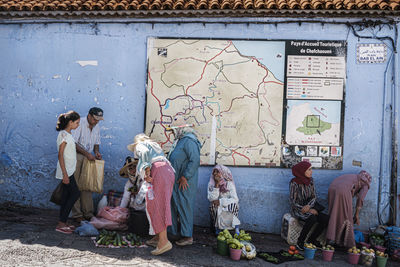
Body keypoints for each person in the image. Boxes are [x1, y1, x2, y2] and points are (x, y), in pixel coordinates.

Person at [127, 133, 175, 255]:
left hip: (158, 172)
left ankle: (163, 242)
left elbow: (144, 155)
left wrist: (147, 172)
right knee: (162, 204)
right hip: (167, 172)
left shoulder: (140, 145)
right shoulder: (154, 145)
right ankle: (158, 237)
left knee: (156, 206)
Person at [167, 123, 201, 246]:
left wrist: (185, 176)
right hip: (176, 181)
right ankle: (174, 233)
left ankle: (187, 237)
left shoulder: (189, 141)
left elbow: (195, 160)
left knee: (185, 207)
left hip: (185, 182)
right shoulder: (180, 141)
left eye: (173, 130)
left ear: (180, 130)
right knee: (175, 206)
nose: (172, 133)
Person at [71, 107, 104, 222]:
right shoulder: (80, 124)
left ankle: (88, 213)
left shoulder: (97, 126)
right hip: (76, 155)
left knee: (87, 185)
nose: (96, 122)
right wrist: (86, 154)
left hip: (88, 156)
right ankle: (77, 214)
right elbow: (73, 143)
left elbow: (96, 142)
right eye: (95, 119)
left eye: (98, 120)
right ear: (89, 116)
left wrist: (96, 152)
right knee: (74, 186)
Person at [289, 161, 329, 250]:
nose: (311, 171)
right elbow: (292, 201)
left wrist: (309, 207)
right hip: (298, 209)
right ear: (302, 171)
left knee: (326, 219)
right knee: (312, 218)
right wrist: (305, 208)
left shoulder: (311, 181)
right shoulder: (294, 183)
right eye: (309, 169)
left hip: (310, 207)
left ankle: (312, 240)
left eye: (311, 169)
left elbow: (313, 196)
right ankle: (300, 242)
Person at [326, 170, 372, 248]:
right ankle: (348, 244)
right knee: (347, 216)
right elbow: (361, 198)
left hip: (332, 189)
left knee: (334, 214)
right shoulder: (366, 184)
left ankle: (330, 239)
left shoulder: (353, 176)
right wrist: (356, 215)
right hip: (343, 191)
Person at [55, 111, 81, 234]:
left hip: (70, 170)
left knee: (66, 196)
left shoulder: (69, 135)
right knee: (75, 194)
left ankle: (62, 222)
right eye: (77, 123)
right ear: (70, 122)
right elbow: (60, 155)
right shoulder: (64, 135)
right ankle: (61, 223)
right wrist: (65, 174)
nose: (78, 125)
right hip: (67, 171)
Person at [208, 164, 240, 235]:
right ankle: (218, 228)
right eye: (214, 172)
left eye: (217, 172)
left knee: (233, 206)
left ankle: (236, 228)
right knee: (212, 206)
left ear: (223, 173)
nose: (215, 174)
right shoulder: (211, 184)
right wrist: (216, 185)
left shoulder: (229, 184)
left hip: (228, 205)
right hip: (218, 206)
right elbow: (211, 198)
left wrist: (221, 201)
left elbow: (235, 199)